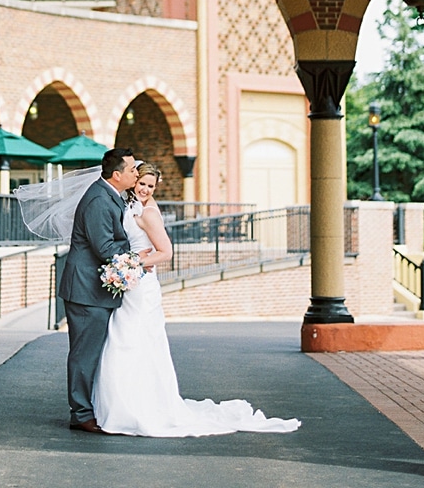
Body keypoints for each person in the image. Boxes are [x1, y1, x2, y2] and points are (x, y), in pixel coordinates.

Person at [91, 161, 301, 436]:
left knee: (134, 341)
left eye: (150, 186)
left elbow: (166, 252)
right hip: (132, 285)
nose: (145, 189)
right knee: (123, 339)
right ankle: (120, 405)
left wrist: (131, 265)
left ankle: (142, 407)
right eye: (142, 183)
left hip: (141, 287)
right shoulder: (128, 205)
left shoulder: (149, 213)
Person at [56, 147, 144, 433]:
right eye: (132, 169)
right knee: (84, 353)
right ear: (117, 175)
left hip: (95, 290)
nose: (136, 173)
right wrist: (137, 255)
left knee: (93, 351)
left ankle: (90, 407)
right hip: (85, 290)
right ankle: (81, 414)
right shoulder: (97, 200)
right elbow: (104, 247)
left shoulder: (111, 195)